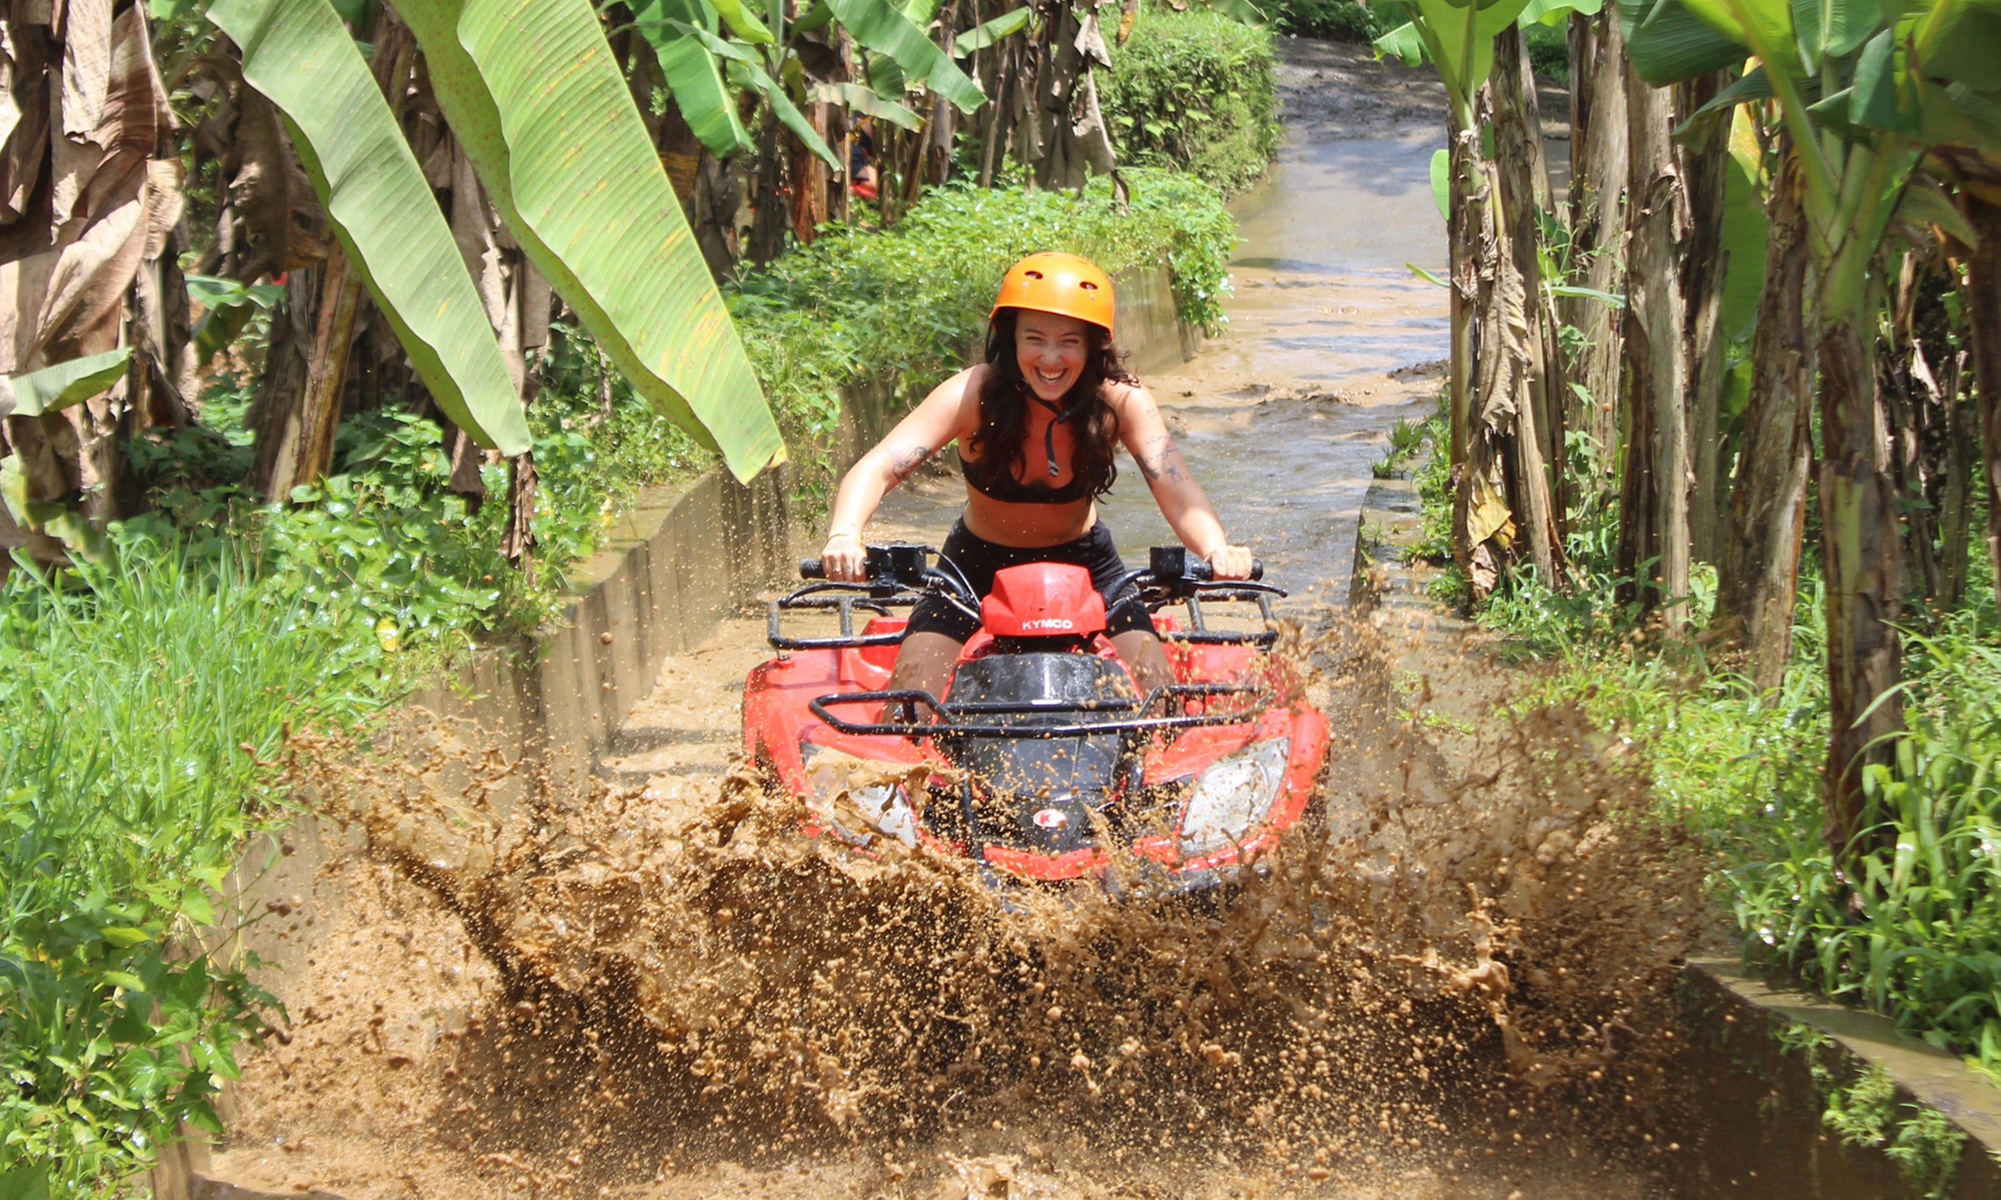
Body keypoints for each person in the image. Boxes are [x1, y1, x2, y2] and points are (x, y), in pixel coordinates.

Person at [818, 251, 1254, 702]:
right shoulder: (971, 394)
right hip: (973, 567)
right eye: (1035, 339)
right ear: (1009, 340)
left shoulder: (1120, 401)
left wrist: (1217, 549)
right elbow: (879, 466)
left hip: (1087, 564)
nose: (1050, 358)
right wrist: (844, 536)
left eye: (1069, 341)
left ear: (1092, 346)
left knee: (1162, 698)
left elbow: (1177, 489)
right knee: (909, 703)